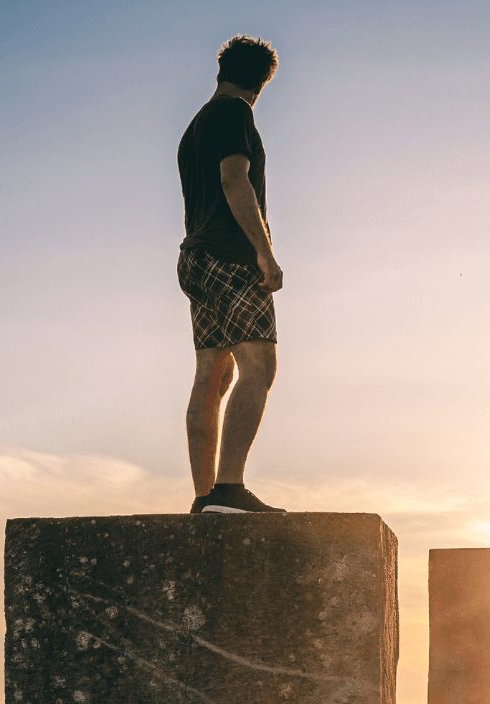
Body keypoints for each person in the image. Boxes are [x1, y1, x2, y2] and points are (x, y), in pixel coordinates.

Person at [175, 34, 286, 513]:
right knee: (259, 367)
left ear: (221, 70)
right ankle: (229, 488)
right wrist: (265, 253)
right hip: (230, 255)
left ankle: (207, 497)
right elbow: (233, 178)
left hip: (196, 257)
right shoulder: (235, 113)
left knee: (212, 374)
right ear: (262, 82)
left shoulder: (195, 125)